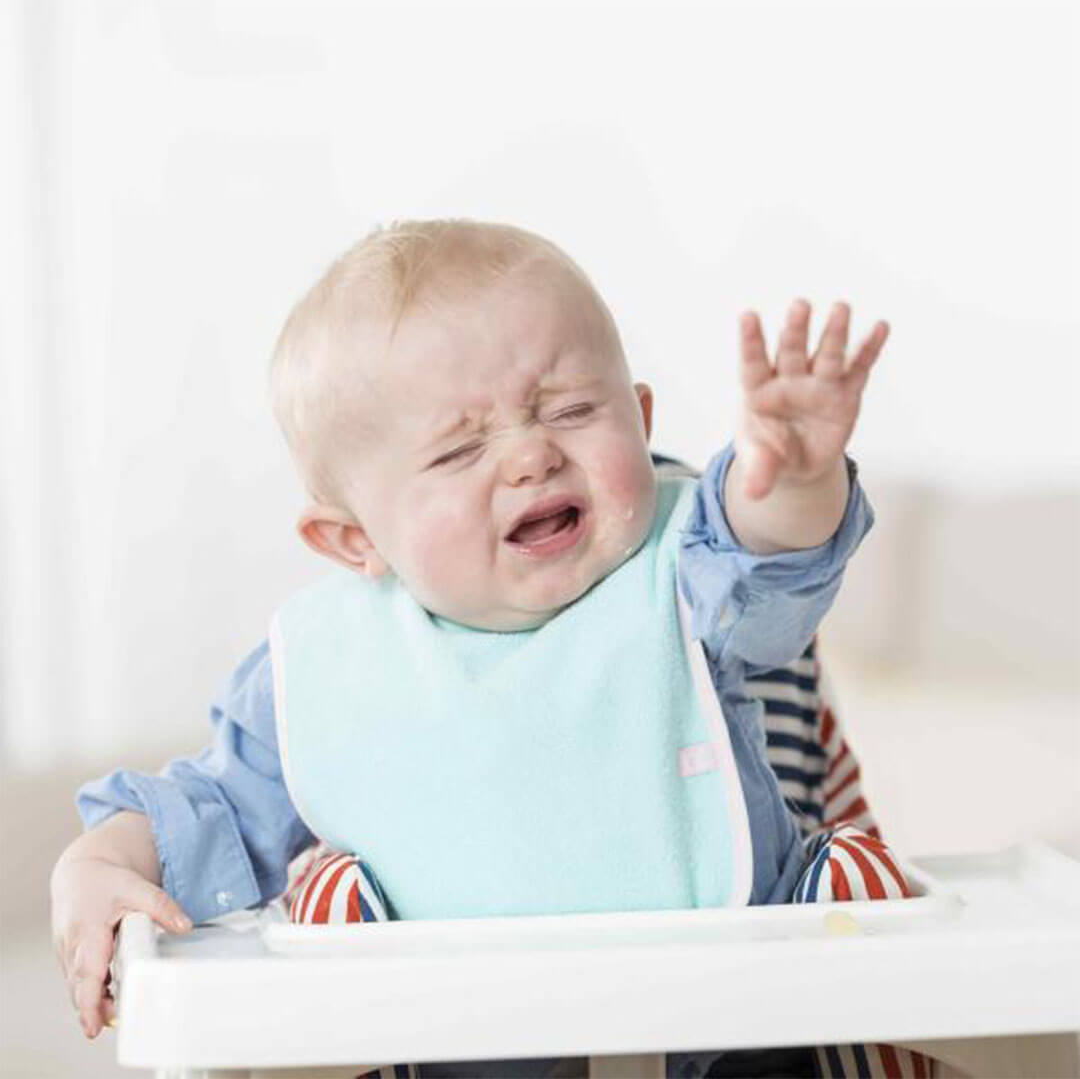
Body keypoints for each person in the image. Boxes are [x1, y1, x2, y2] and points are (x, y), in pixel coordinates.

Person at [50, 220, 890, 1068]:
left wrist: (796, 483)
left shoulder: (687, 564)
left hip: (733, 1010)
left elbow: (770, 585)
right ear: (354, 541)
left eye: (571, 410)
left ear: (639, 421)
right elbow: (220, 809)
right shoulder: (334, 664)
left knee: (832, 964)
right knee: (341, 927)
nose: (531, 455)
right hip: (461, 1030)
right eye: (457, 451)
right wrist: (103, 861)